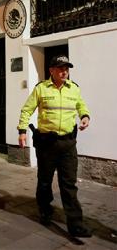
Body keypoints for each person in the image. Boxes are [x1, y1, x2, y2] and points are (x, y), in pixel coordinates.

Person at [17, 55, 92, 238]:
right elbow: (27, 109)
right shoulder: (41, 89)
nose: (64, 72)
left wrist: (85, 116)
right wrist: (22, 131)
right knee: (44, 181)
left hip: (67, 143)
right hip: (47, 144)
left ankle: (75, 225)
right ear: (51, 70)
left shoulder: (74, 88)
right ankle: (45, 210)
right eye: (60, 68)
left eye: (66, 68)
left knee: (69, 184)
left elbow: (81, 105)